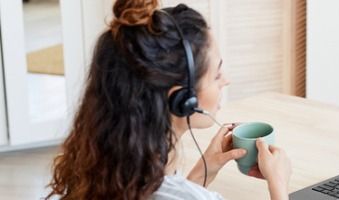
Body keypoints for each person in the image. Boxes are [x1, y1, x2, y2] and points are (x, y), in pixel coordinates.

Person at [46, 1, 291, 199]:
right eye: (216, 74)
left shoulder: (99, 173)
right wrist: (278, 185)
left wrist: (206, 169)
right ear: (182, 99)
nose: (225, 81)